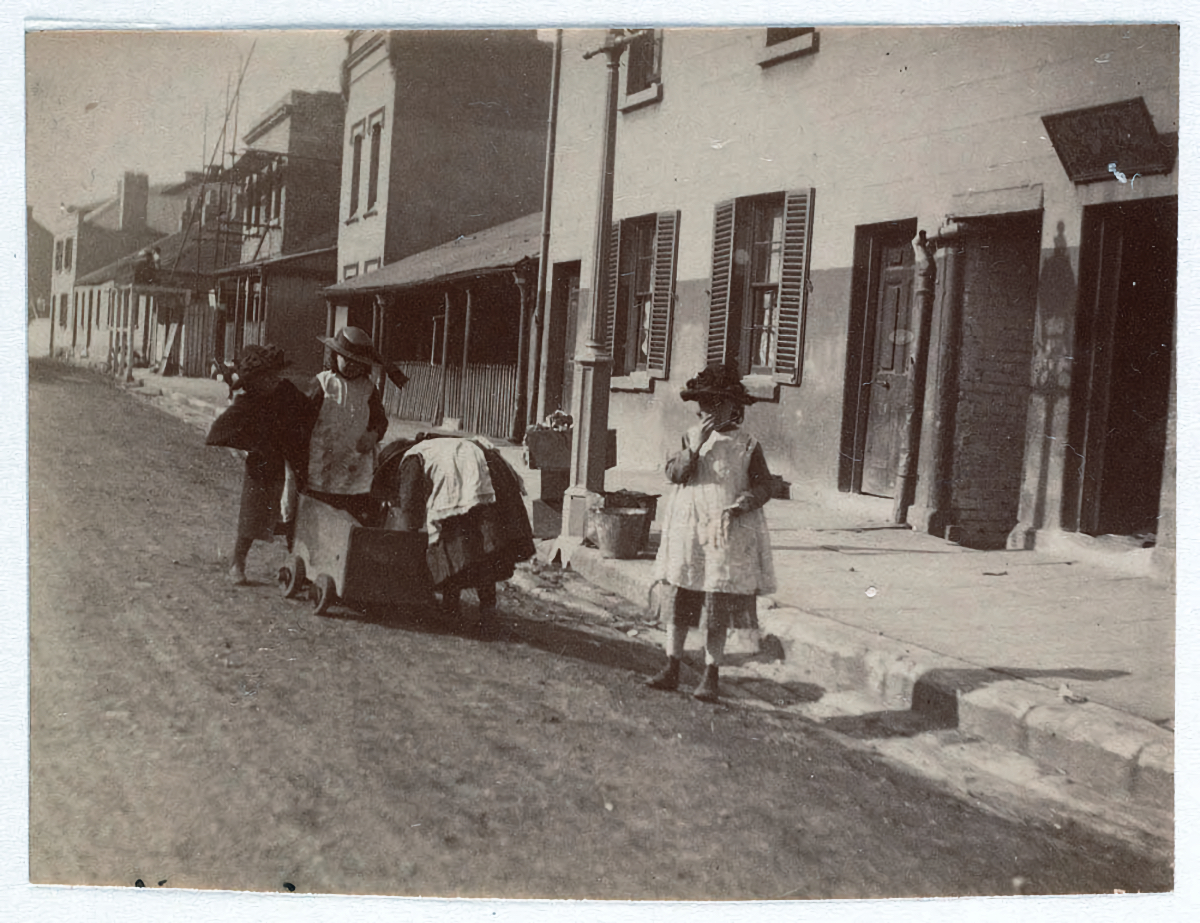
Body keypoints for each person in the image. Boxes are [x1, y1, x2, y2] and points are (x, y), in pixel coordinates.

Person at [644, 363, 777, 702]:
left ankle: (711, 674)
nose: (709, 412)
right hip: (689, 528)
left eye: (718, 405)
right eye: (704, 405)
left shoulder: (747, 445)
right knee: (682, 597)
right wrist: (695, 447)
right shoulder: (692, 437)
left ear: (735, 407)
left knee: (716, 603)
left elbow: (765, 485)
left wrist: (750, 499)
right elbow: (675, 473)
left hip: (725, 532)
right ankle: (672, 665)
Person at [376, 435, 535, 637]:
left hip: (475, 475)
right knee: (475, 547)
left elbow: (409, 514)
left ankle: (464, 611)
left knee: (458, 545)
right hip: (489, 471)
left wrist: (403, 544)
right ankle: (471, 608)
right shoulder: (430, 448)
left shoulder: (410, 460)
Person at [205, 344, 314, 585]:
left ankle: (297, 565)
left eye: (274, 375)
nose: (271, 381)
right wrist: (247, 446)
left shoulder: (287, 391)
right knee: (254, 513)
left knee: (298, 510)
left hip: (292, 455)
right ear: (253, 382)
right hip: (265, 460)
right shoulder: (248, 402)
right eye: (264, 378)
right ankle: (237, 562)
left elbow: (308, 411)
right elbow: (219, 431)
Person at [305, 326, 406, 524]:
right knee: (320, 516)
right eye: (346, 359)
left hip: (355, 464)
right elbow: (303, 419)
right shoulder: (323, 383)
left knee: (350, 517)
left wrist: (374, 434)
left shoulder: (368, 389)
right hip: (323, 462)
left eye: (357, 362)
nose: (351, 365)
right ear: (335, 356)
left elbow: (380, 420)